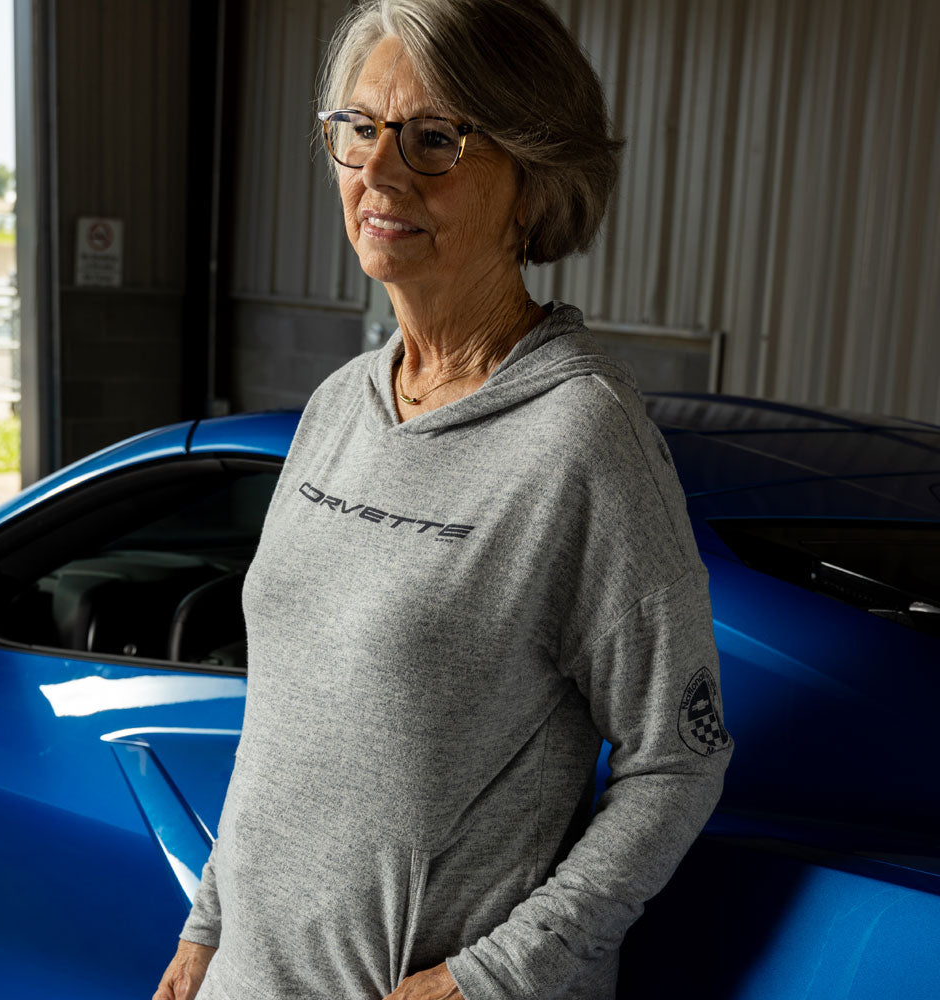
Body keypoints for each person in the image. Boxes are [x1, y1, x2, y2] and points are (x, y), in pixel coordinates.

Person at [154, 1, 732, 998]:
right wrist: (207, 930)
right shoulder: (340, 404)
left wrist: (490, 978)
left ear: (531, 180)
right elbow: (286, 727)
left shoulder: (581, 438)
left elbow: (677, 760)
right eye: (359, 130)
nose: (379, 174)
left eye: (433, 140)